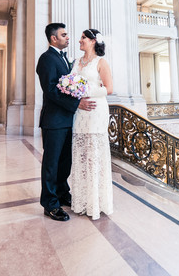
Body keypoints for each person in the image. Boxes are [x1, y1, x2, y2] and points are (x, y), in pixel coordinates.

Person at [36, 23, 96, 222]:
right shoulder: (46, 59)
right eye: (64, 35)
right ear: (54, 38)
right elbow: (51, 90)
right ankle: (50, 204)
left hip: (68, 119)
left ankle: (62, 193)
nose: (68, 37)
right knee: (51, 164)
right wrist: (77, 103)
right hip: (54, 120)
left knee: (65, 162)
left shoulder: (64, 59)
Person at [69, 28, 114, 220]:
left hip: (96, 111)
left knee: (95, 155)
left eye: (83, 38)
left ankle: (97, 203)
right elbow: (69, 83)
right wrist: (75, 93)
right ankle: (81, 201)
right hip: (79, 111)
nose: (80, 41)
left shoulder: (101, 62)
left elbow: (109, 89)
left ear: (93, 41)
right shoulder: (76, 62)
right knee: (81, 154)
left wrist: (86, 91)